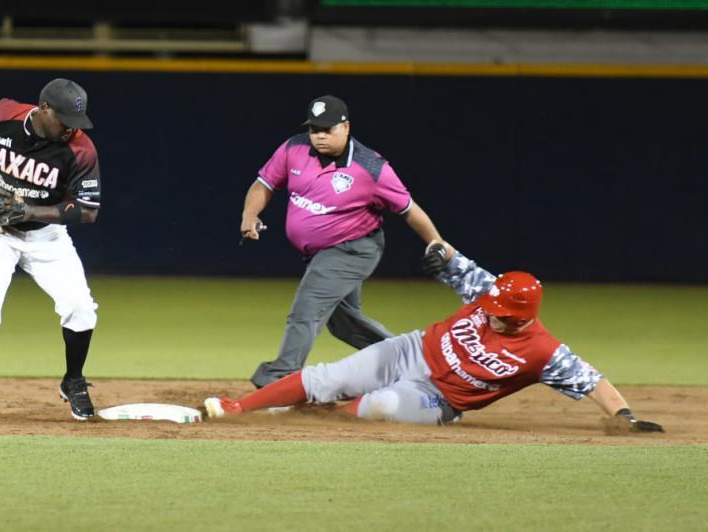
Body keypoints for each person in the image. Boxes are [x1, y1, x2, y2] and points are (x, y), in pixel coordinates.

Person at [204, 242, 664, 433]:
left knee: (379, 408)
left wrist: (624, 415)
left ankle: (313, 417)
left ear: (525, 318)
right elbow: (448, 255)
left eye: (502, 315)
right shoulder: (490, 291)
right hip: (411, 350)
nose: (491, 314)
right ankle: (239, 408)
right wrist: (438, 252)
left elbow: (593, 381)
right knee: (329, 376)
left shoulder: (544, 352)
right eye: (492, 307)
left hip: (440, 398)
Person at [241, 94, 446, 388]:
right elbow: (265, 184)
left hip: (354, 249)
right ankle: (417, 365)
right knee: (344, 324)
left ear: (346, 126)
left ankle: (278, 380)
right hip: (320, 253)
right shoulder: (294, 148)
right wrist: (250, 215)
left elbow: (409, 209)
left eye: (328, 129)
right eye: (315, 129)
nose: (320, 136)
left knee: (307, 306)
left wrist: (436, 242)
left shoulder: (371, 168)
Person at [0, 78, 102, 423]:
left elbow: (88, 211)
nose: (71, 130)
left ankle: (73, 380)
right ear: (43, 109)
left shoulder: (81, 149)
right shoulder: (4, 113)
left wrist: (29, 212)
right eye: (65, 121)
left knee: (81, 307)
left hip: (48, 236)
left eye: (76, 123)